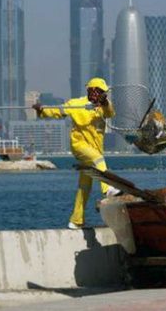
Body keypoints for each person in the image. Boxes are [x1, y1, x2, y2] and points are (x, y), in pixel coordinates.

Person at [33, 77, 121, 229]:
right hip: (79, 146)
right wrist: (42, 110)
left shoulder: (103, 106)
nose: (102, 95)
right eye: (100, 92)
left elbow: (110, 112)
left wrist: (105, 102)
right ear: (91, 91)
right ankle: (107, 189)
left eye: (103, 93)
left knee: (84, 186)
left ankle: (76, 220)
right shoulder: (76, 104)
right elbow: (58, 111)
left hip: (94, 148)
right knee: (98, 159)